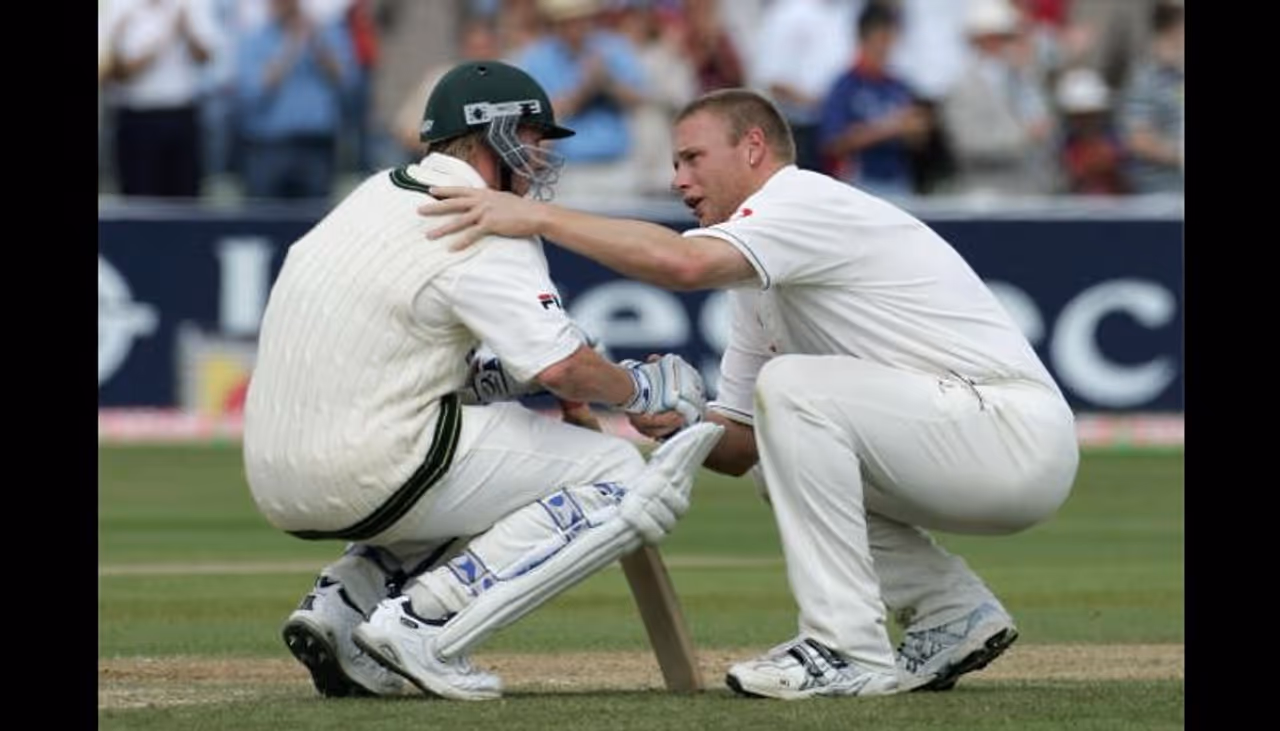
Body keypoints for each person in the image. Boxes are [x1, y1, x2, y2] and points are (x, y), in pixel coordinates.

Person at [416, 87, 1080, 700]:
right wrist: (663, 410)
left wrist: (534, 216)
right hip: (971, 442)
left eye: (693, 158)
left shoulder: (803, 200)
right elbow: (738, 448)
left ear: (754, 147)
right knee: (777, 446)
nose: (678, 180)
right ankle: (949, 611)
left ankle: (846, 647)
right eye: (675, 163)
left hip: (1012, 433)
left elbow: (683, 263)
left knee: (790, 388)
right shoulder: (755, 281)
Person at [241, 59, 723, 701]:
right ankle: (425, 620)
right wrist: (641, 390)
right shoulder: (483, 218)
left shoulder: (372, 195)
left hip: (274, 472)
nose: (542, 154)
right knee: (617, 473)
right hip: (373, 461)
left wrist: (551, 379)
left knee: (503, 470)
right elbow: (559, 365)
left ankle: (343, 604)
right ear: (494, 135)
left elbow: (444, 366)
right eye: (533, 136)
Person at [819, 1, 931, 199]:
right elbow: (832, 142)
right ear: (864, 39)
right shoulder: (845, 86)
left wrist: (917, 130)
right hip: (858, 184)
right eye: (881, 39)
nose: (886, 47)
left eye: (891, 39)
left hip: (898, 181)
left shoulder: (898, 85)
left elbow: (918, 142)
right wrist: (890, 127)